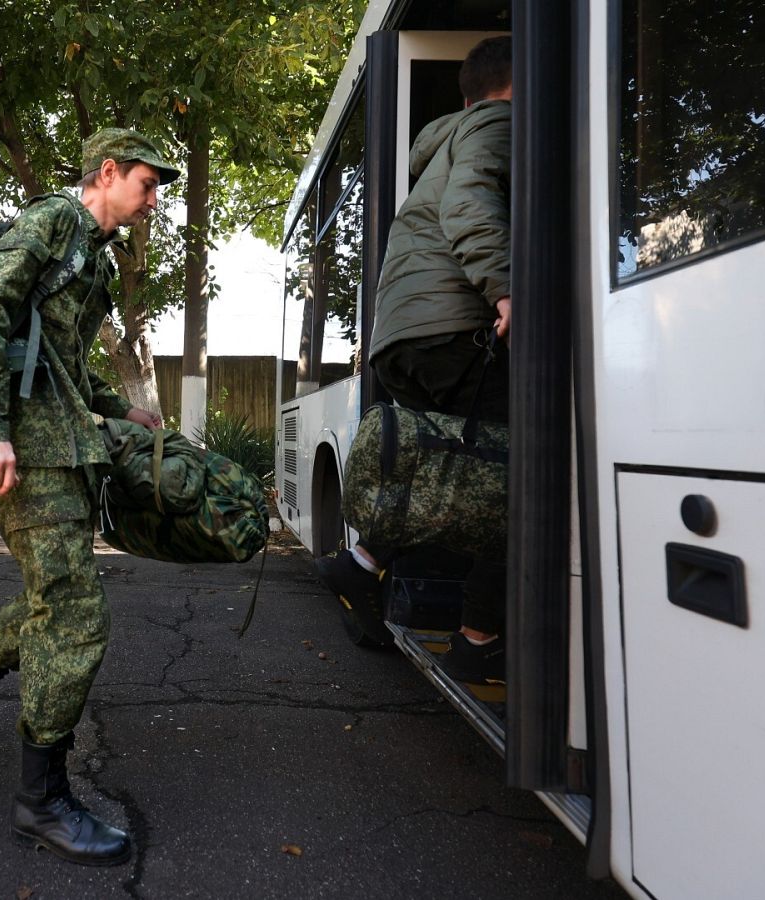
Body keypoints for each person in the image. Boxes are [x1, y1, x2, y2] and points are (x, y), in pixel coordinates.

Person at [0, 128, 178, 867]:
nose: (155, 202)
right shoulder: (53, 220)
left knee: (49, 600)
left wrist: (124, 410)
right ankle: (42, 800)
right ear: (109, 171)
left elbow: (58, 359)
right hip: (29, 451)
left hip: (63, 444)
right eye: (149, 185)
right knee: (77, 611)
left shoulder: (90, 247)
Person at [316, 35, 513, 685]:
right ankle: (479, 637)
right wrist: (506, 289)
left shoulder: (442, 144)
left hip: (402, 337)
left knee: (443, 472)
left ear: (463, 92)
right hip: (453, 329)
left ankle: (364, 561)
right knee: (516, 477)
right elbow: (470, 208)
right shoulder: (499, 122)